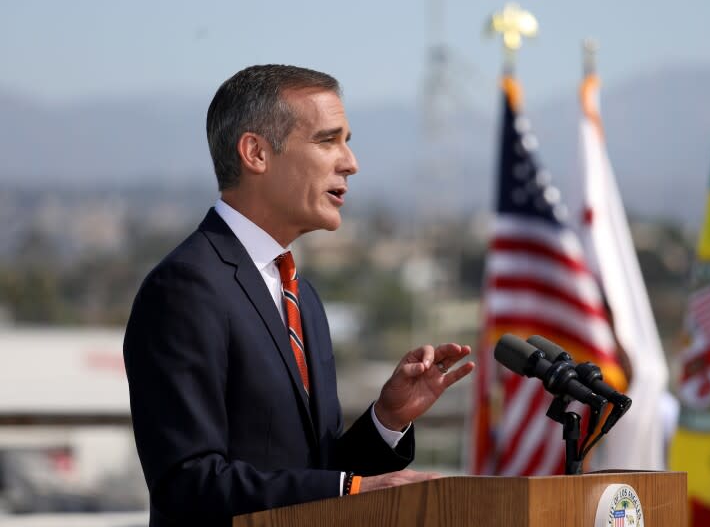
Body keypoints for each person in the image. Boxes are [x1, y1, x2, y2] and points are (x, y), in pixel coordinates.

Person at [123, 64, 474, 526]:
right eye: (328, 140)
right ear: (256, 153)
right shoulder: (185, 288)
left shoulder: (301, 295)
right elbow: (188, 482)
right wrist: (351, 489)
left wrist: (386, 420)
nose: (351, 162)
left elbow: (314, 475)